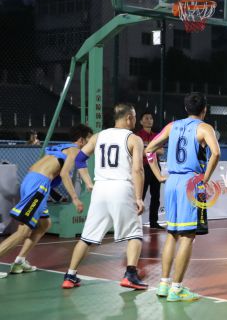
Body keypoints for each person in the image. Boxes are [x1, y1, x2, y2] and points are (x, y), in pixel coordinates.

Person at [61, 103, 147, 290]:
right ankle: (130, 275)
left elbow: (80, 159)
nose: (134, 119)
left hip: (100, 189)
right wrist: (139, 197)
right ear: (129, 118)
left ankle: (70, 275)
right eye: (134, 116)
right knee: (135, 234)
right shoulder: (134, 139)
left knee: (87, 237)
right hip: (121, 188)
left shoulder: (98, 137)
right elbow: (138, 170)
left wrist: (88, 182)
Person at [145, 93, 221, 302]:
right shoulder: (204, 128)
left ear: (186, 108)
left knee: (172, 234)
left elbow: (149, 149)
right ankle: (177, 289)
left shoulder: (172, 126)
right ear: (204, 109)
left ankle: (163, 284)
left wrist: (158, 175)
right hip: (191, 183)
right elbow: (216, 153)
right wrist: (205, 179)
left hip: (171, 182)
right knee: (187, 236)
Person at [0, 124, 92, 279]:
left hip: (31, 180)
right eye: (89, 140)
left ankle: (19, 261)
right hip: (38, 185)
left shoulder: (63, 148)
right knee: (23, 232)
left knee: (44, 224)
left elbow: (37, 168)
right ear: (81, 140)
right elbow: (64, 174)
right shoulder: (75, 150)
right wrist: (75, 199)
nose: (91, 144)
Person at [136, 111, 164, 229]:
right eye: (146, 118)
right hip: (143, 168)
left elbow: (161, 151)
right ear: (141, 121)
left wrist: (147, 149)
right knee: (140, 195)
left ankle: (154, 222)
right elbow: (138, 152)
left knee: (156, 196)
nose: (149, 120)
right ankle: (136, 222)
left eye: (151, 118)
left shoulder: (157, 136)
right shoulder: (137, 136)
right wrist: (152, 149)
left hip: (155, 168)